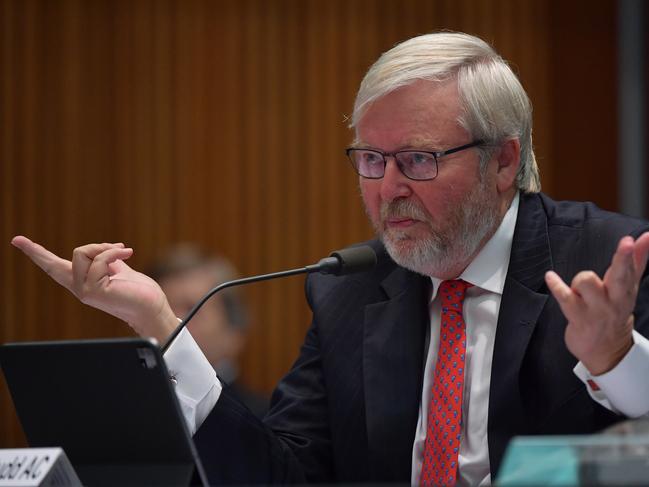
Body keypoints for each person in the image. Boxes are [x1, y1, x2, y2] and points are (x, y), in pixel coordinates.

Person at [11, 31, 649, 486]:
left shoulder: (607, 261)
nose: (388, 188)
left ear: (504, 160)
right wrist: (159, 325)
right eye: (371, 160)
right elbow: (280, 475)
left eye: (418, 160)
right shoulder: (352, 292)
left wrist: (616, 360)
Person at [147, 244, 268, 419]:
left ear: (234, 331)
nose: (173, 322)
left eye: (191, 308)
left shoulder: (265, 420)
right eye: (164, 309)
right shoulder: (123, 408)